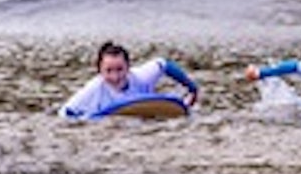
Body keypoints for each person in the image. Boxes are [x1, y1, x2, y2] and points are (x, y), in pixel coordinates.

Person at [59, 41, 200, 118]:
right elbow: (65, 113)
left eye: (120, 69)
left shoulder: (140, 76)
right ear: (100, 71)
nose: (115, 76)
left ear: (128, 67)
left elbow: (164, 64)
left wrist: (191, 88)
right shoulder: (94, 88)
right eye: (108, 71)